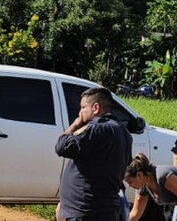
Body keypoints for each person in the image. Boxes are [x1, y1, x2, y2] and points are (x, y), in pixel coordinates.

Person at [55, 87, 133, 221]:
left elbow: (62, 146)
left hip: (86, 211)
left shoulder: (97, 128)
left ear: (95, 108)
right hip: (103, 210)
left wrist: (75, 125)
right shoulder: (124, 133)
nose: (80, 113)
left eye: (83, 107)